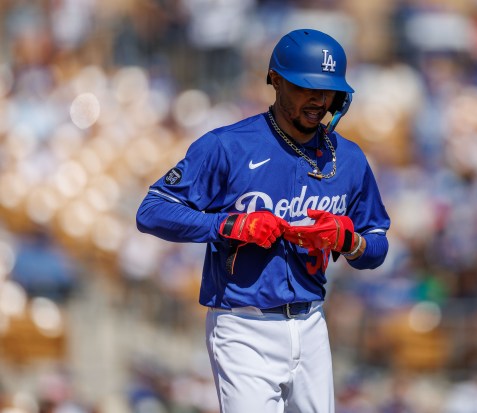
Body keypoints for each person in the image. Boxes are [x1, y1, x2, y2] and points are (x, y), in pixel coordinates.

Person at [136, 28, 391, 413]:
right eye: (307, 87)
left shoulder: (349, 158)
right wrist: (227, 225)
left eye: (327, 90)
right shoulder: (228, 145)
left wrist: (348, 241)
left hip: (312, 324)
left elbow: (377, 242)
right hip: (243, 326)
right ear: (275, 79)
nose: (319, 100)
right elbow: (152, 211)